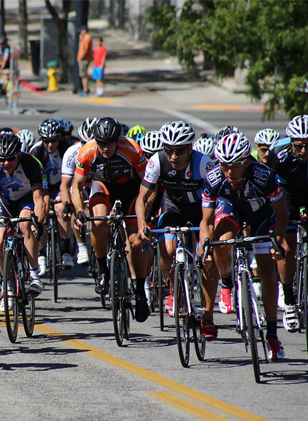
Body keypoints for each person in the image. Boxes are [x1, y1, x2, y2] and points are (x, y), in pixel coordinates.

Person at [200, 133, 288, 360]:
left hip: (262, 216)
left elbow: (281, 215)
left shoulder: (264, 176)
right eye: (225, 165)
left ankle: (271, 334)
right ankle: (227, 280)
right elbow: (206, 222)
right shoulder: (213, 178)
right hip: (232, 210)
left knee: (268, 270)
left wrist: (276, 243)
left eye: (235, 165)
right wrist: (204, 249)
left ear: (246, 162)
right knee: (221, 241)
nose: (229, 171)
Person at [136, 121, 218, 337]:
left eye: (179, 151)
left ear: (190, 148)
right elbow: (142, 197)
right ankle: (175, 289)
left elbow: (218, 199)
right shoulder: (157, 161)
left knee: (207, 258)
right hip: (172, 206)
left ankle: (208, 317)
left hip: (201, 210)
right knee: (167, 249)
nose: (173, 156)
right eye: (169, 150)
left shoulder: (203, 163)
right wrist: (142, 224)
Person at [72, 117, 151, 322]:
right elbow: (76, 186)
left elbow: (148, 182)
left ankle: (141, 291)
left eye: (109, 143)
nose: (105, 148)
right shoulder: (87, 151)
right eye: (101, 143)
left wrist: (147, 209)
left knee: (136, 242)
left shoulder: (131, 148)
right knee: (98, 222)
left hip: (130, 189)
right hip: (103, 187)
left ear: (118, 140)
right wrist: (80, 210)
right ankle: (102, 269)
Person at [0, 132, 48, 298]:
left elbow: (39, 199)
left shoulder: (30, 164)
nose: (6, 163)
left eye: (10, 158)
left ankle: (34, 275)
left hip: (25, 199)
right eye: (2, 158)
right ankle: (7, 280)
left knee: (26, 225)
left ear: (19, 154)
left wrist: (37, 222)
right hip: (3, 201)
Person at [265, 115, 308, 332]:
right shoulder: (278, 153)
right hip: (287, 193)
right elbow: (265, 180)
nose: (304, 151)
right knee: (288, 246)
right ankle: (289, 299)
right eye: (299, 146)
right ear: (291, 143)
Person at [30, 119, 71, 272]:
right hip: (41, 185)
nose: (50, 144)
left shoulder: (66, 149)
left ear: (59, 138)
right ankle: (41, 253)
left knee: (61, 208)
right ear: (41, 139)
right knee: (42, 213)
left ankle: (65, 250)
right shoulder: (36, 151)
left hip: (61, 185)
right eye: (46, 141)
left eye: (53, 140)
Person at [59, 117, 96, 265]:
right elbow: (65, 185)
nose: (86, 148)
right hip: (79, 185)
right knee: (74, 204)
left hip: (96, 183)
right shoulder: (72, 152)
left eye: (91, 144)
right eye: (83, 144)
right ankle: (82, 247)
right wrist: (67, 205)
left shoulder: (104, 151)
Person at [77, 25, 93, 97]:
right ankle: (85, 89)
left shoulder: (87, 37)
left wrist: (81, 57)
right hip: (83, 59)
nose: (80, 32)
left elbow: (85, 49)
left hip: (84, 59)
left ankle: (85, 90)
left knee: (84, 75)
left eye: (81, 30)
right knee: (83, 75)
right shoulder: (84, 37)